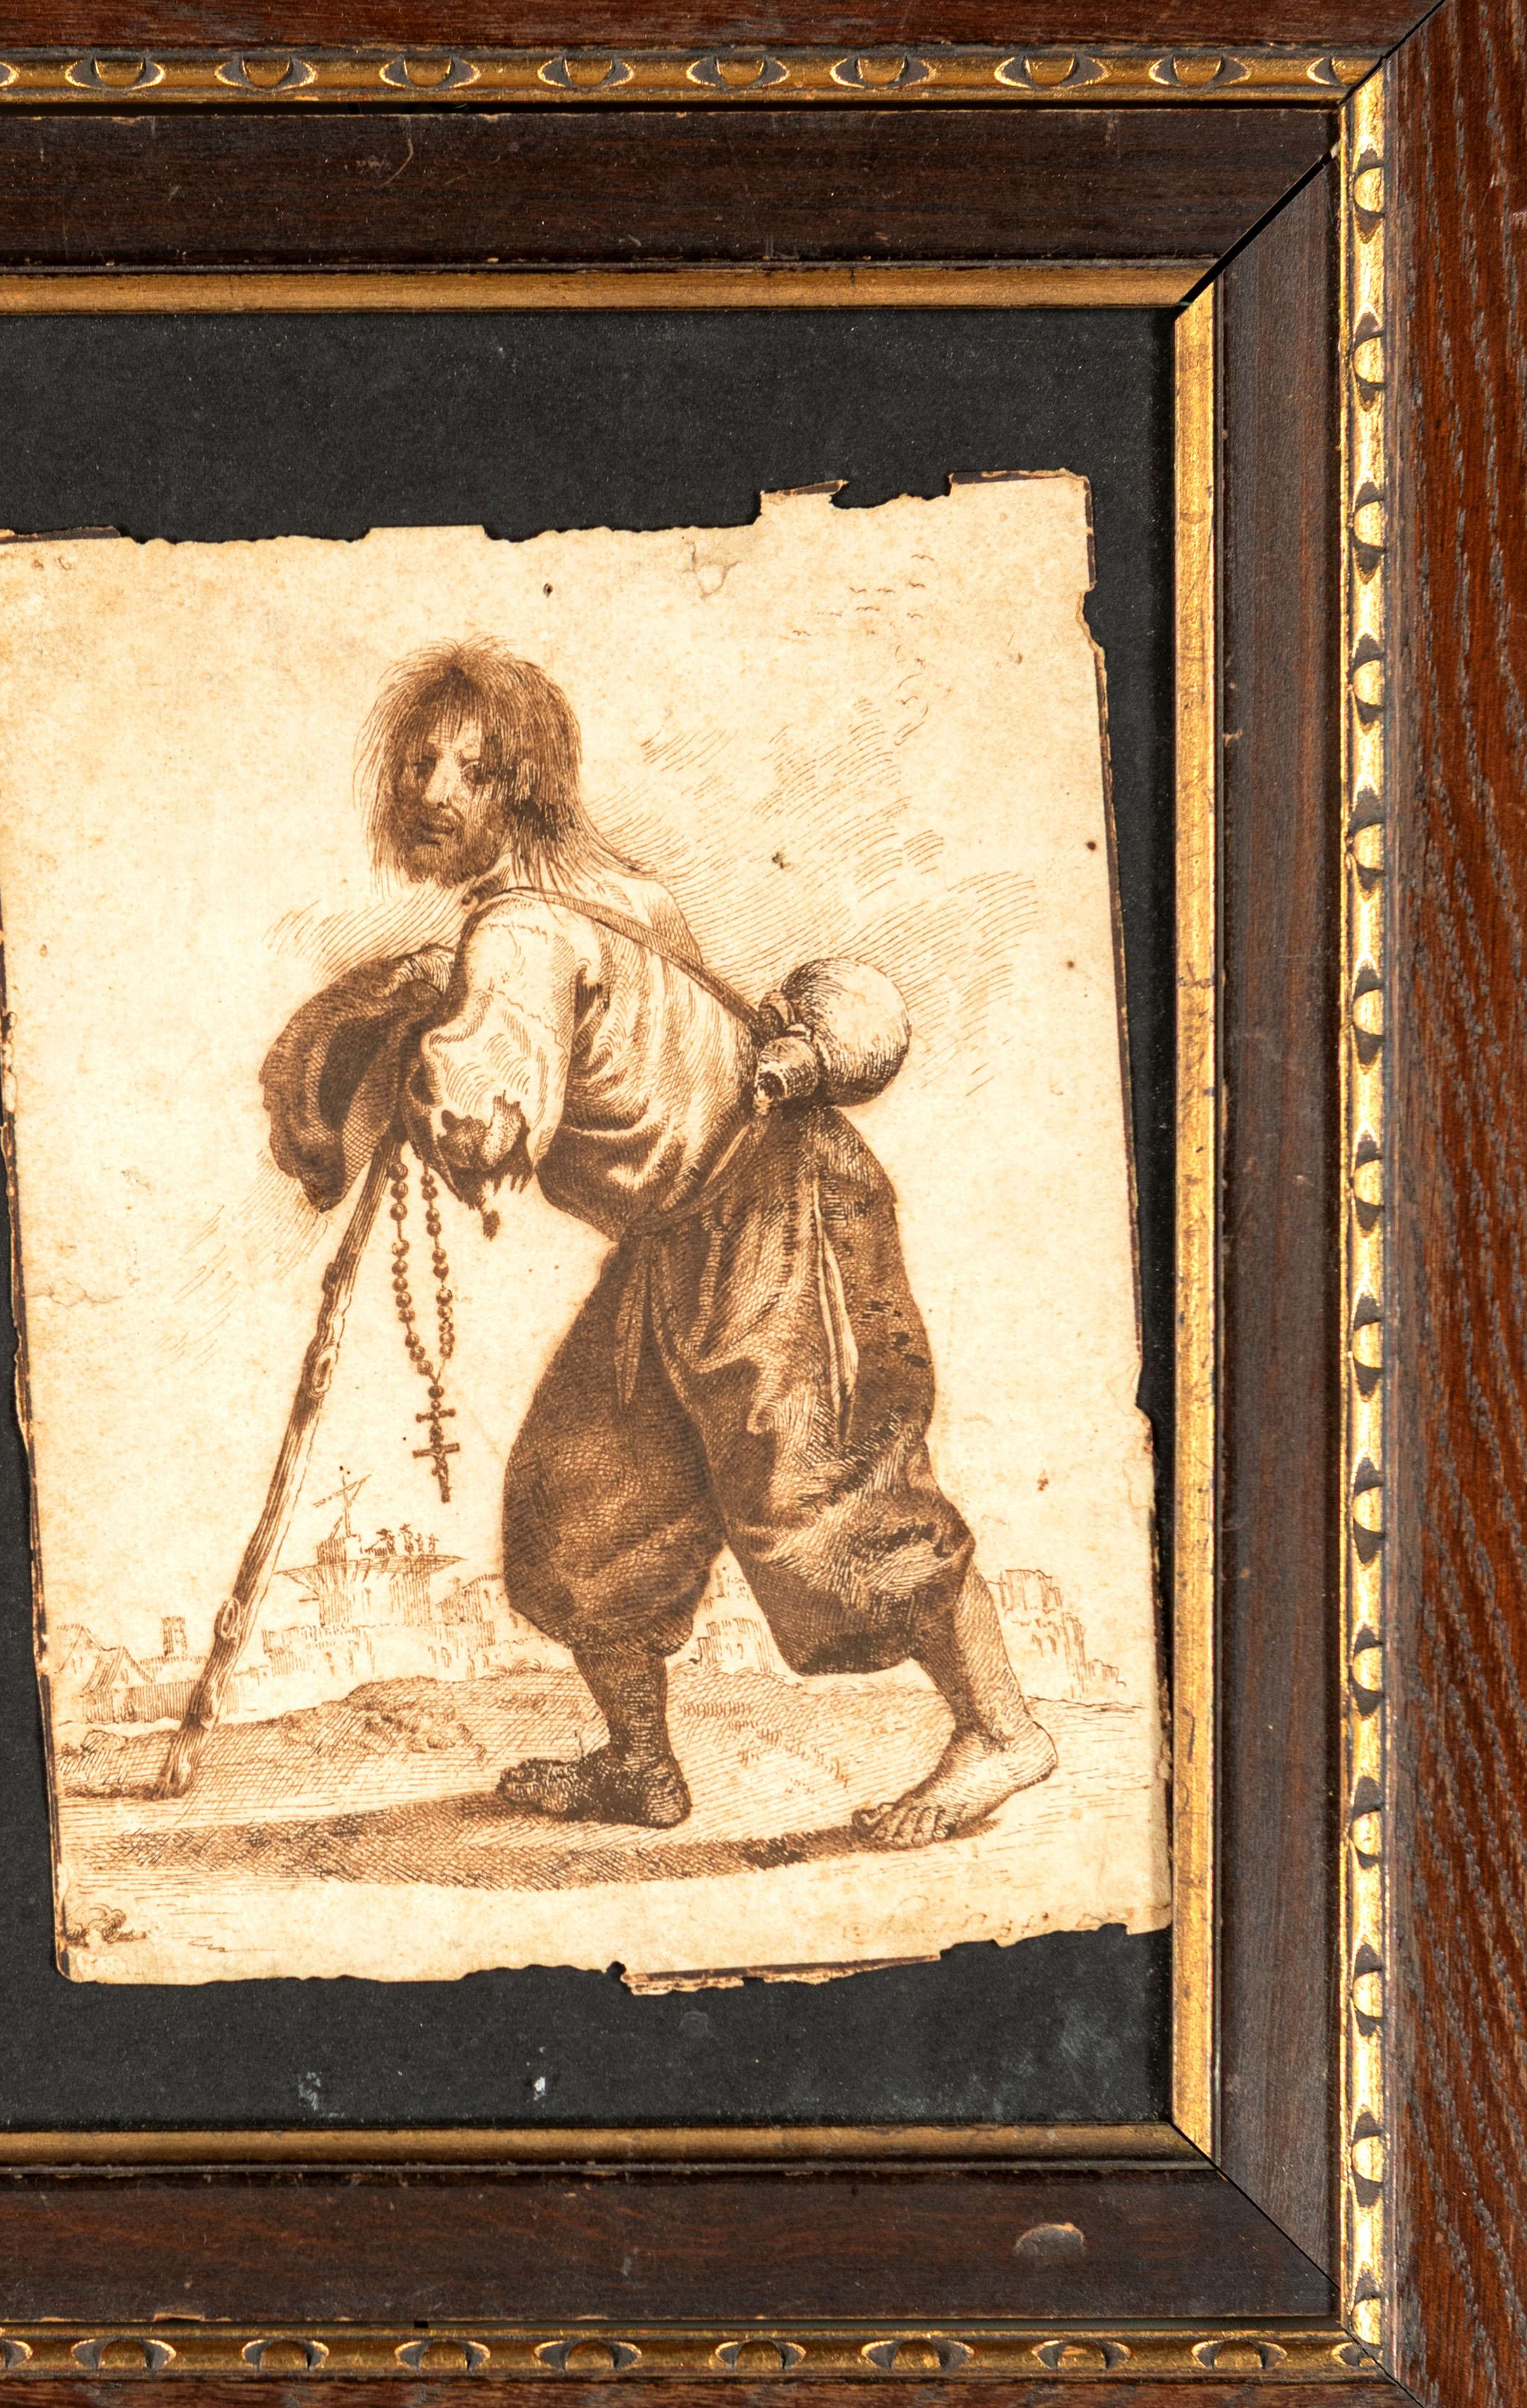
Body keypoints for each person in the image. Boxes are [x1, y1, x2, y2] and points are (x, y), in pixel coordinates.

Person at [269, 638, 1055, 1847]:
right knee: (587, 1501)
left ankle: (1002, 1731)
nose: (430, 792)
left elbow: (487, 1132)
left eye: (468, 770)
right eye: (418, 764)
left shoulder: (519, 937)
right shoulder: (610, 898)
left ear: (522, 784)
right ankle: (638, 1766)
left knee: (826, 1500)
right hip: (675, 1240)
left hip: (779, 1208)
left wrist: (414, 1049)